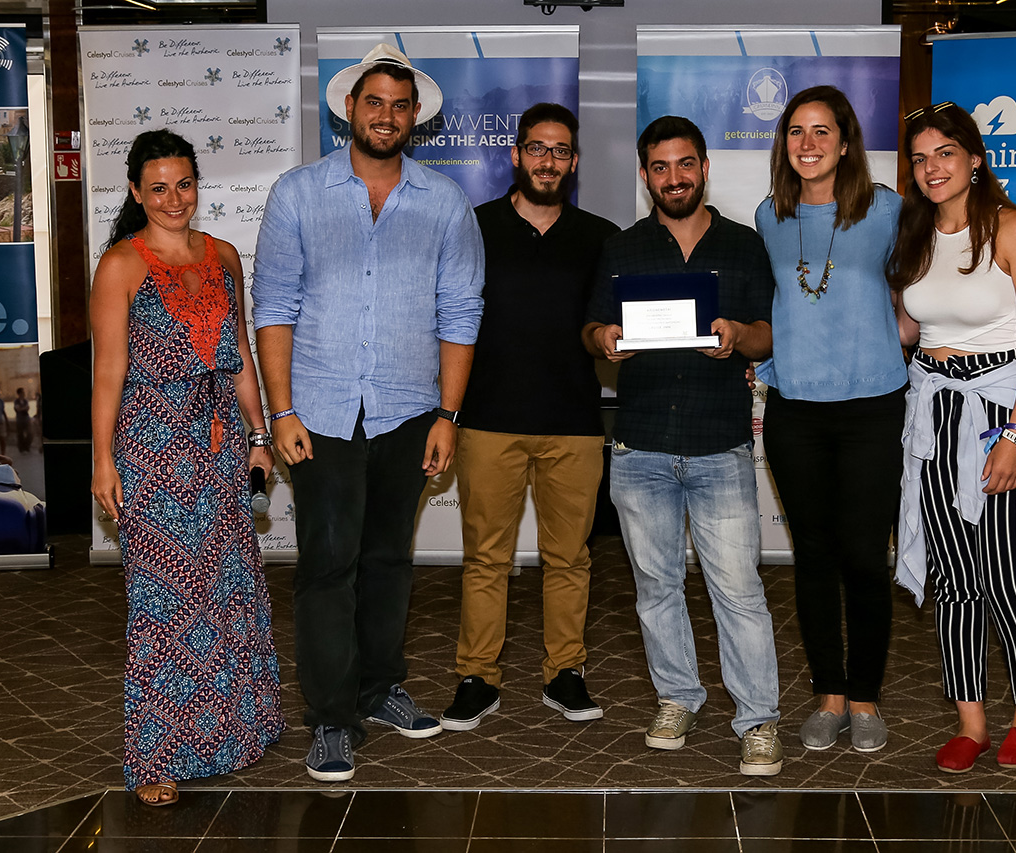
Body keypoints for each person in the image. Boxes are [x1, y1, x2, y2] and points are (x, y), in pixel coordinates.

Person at [252, 43, 485, 782]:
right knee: (328, 565)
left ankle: (380, 688)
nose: (386, 115)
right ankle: (330, 717)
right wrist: (281, 411)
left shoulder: (444, 202)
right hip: (318, 412)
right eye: (374, 102)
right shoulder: (298, 194)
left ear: (415, 118)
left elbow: (461, 311)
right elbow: (274, 307)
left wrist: (449, 414)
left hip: (410, 410)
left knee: (388, 560)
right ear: (348, 108)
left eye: (400, 105)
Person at [583, 115, 783, 776]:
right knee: (656, 587)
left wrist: (739, 336)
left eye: (685, 163)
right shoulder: (623, 248)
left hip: (719, 443)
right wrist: (603, 340)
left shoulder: (744, 245)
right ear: (646, 176)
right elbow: (591, 327)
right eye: (661, 167)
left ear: (704, 167)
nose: (675, 177)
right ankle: (677, 697)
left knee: (739, 589)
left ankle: (757, 717)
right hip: (640, 445)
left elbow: (768, 333)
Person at [90, 129, 285, 807]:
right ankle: (157, 754)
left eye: (184, 184)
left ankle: (236, 730)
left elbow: (239, 354)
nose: (174, 199)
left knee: (228, 590)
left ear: (197, 184)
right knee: (164, 599)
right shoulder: (121, 265)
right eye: (158, 188)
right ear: (136, 192)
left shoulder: (223, 255)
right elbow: (108, 372)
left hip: (220, 445)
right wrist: (102, 459)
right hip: (151, 448)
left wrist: (258, 435)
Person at [887, 102, 1016, 773]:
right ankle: (971, 722)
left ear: (974, 158)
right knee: (954, 577)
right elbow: (909, 331)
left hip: (1001, 409)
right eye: (919, 158)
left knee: (1006, 573)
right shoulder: (913, 235)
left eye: (945, 153)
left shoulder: (1013, 228)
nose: (932, 168)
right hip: (935, 413)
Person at [439, 104, 619, 732]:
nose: (549, 160)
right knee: (486, 559)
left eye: (560, 150)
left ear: (574, 161)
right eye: (538, 148)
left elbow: (611, 324)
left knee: (570, 559)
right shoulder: (474, 226)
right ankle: (477, 677)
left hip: (575, 422)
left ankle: (565, 672)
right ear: (515, 155)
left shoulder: (600, 236)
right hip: (488, 420)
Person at [753, 86, 907, 754]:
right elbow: (774, 303)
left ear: (846, 143)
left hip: (872, 408)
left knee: (865, 559)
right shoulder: (769, 215)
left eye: (822, 131)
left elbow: (915, 285)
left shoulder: (888, 209)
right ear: (783, 143)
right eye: (796, 131)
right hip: (796, 412)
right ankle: (830, 694)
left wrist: (901, 335)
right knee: (813, 558)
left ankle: (866, 698)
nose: (808, 143)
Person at [14, 387, 31, 453]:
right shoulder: (16, 401)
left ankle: (26, 446)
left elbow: (27, 408)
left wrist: (22, 408)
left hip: (26, 419)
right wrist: (24, 408)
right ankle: (22, 448)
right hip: (20, 420)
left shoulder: (25, 401)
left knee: (30, 433)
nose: (24, 393)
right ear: (19, 393)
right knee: (20, 434)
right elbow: (18, 409)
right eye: (23, 392)